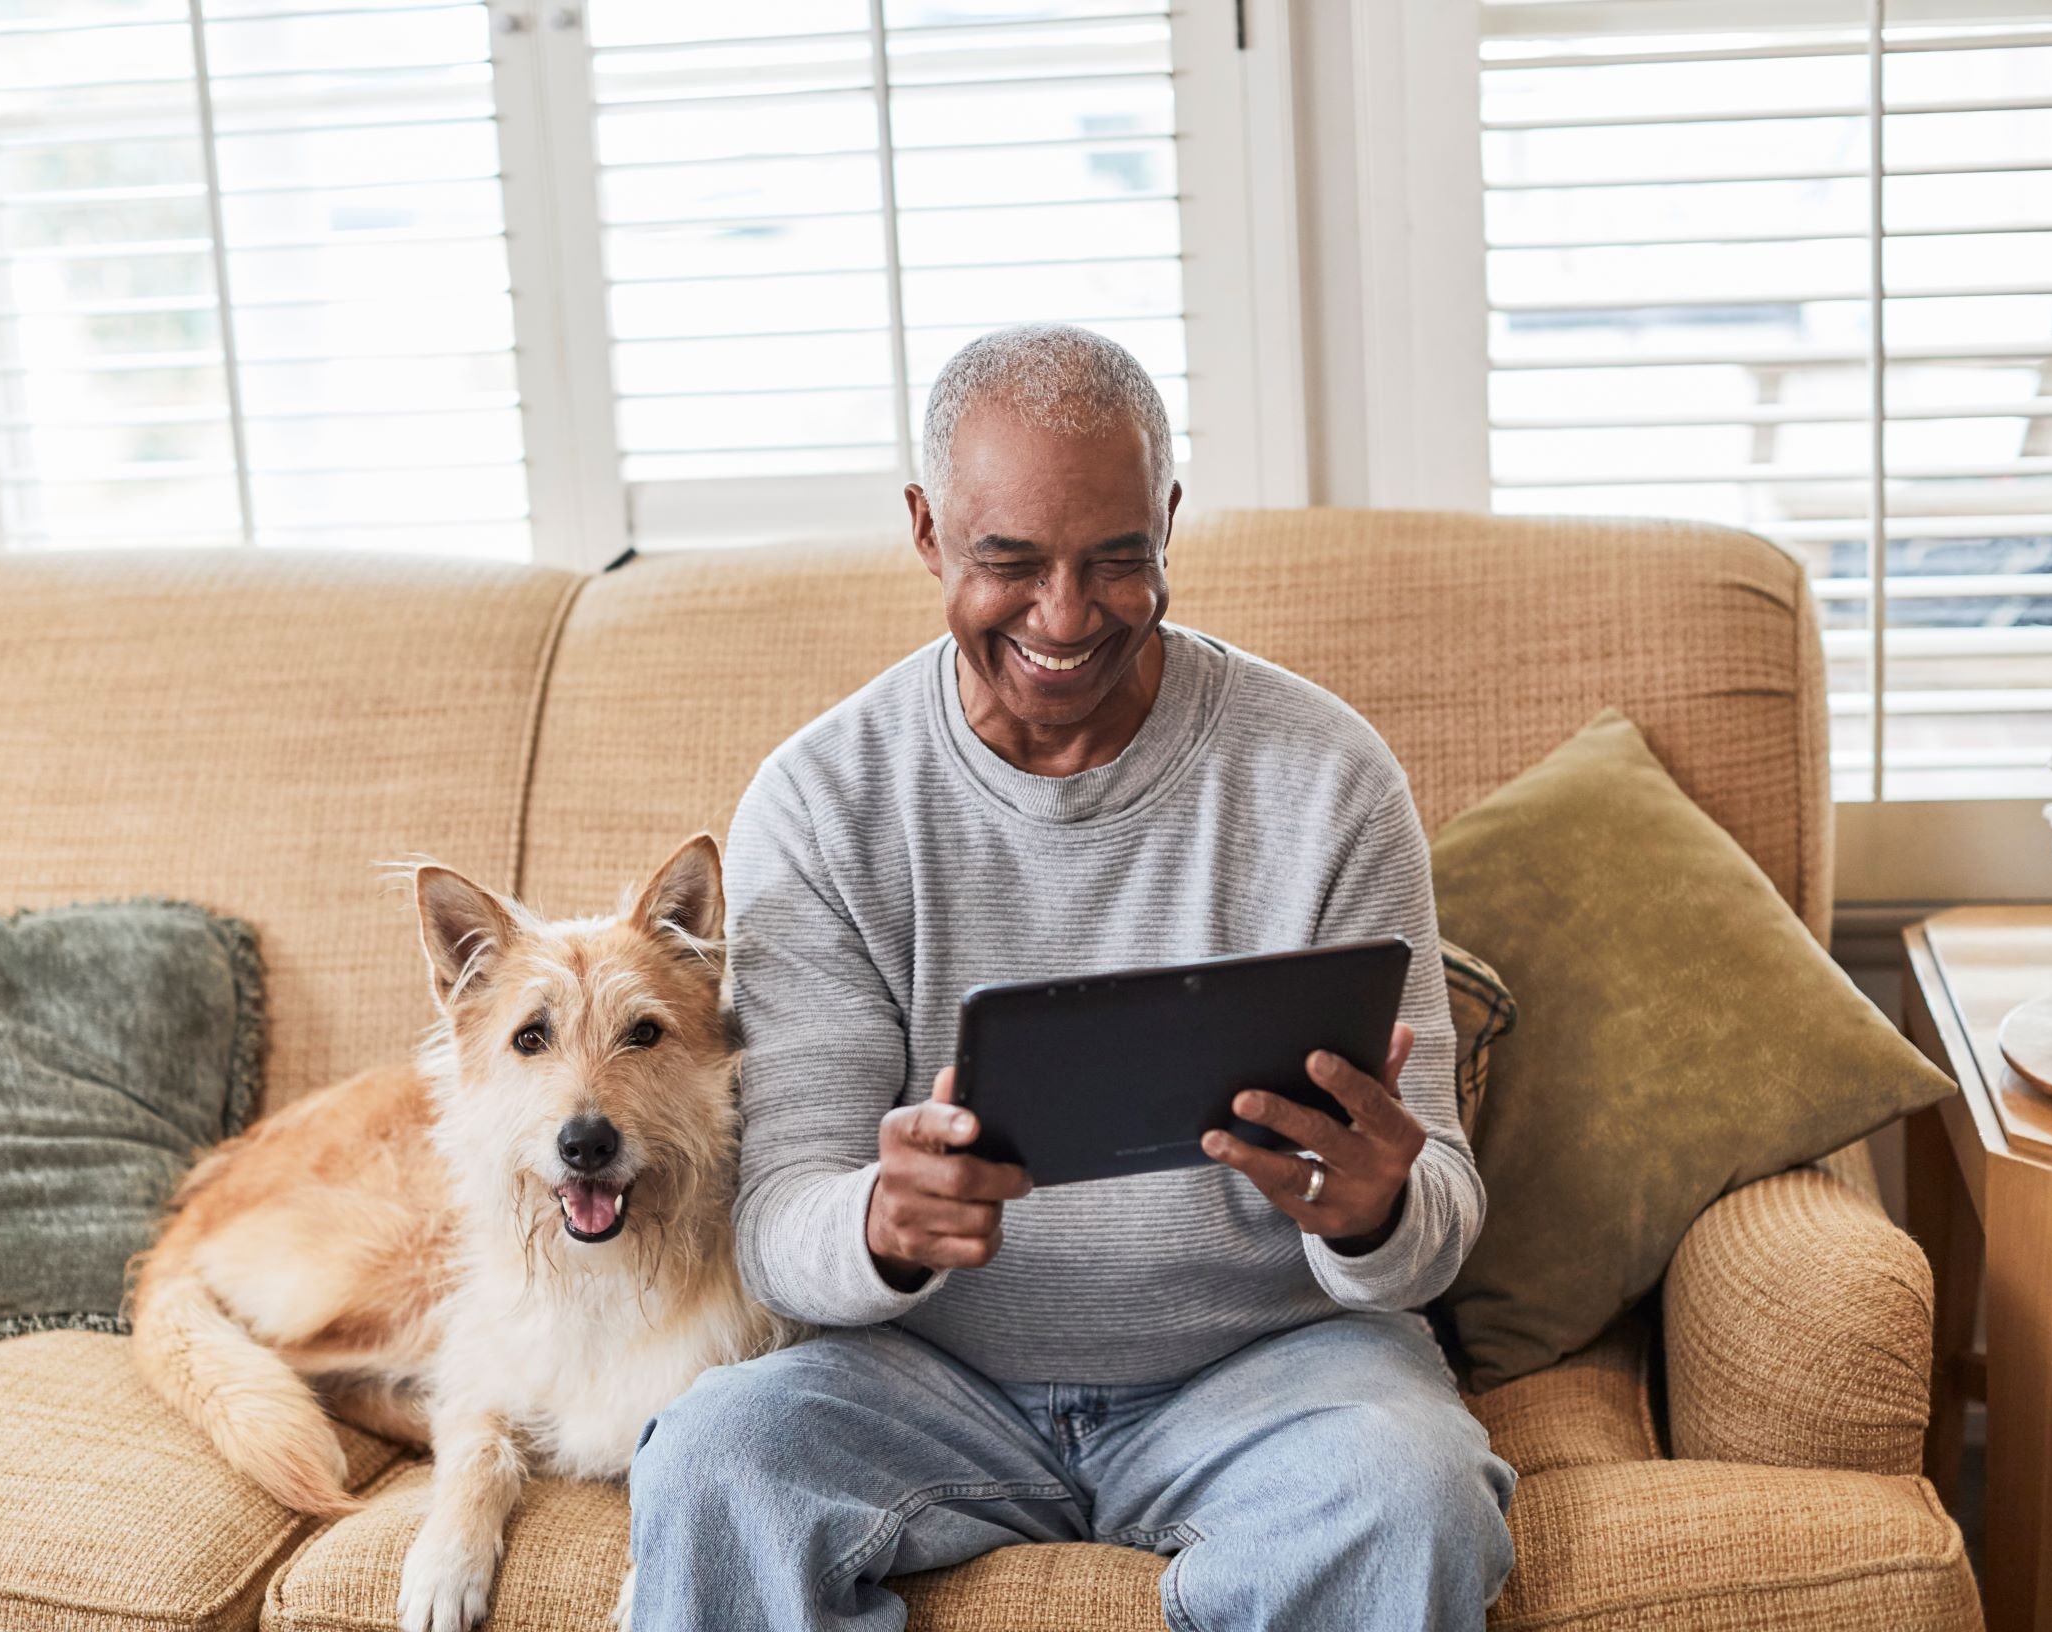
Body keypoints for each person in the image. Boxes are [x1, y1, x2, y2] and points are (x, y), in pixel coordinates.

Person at [626, 323, 1516, 1631]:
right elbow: (777, 1224)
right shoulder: (821, 802)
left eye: (1116, 561)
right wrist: (878, 1221)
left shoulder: (1325, 779)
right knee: (713, 1460)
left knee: (1418, 1495)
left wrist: (1375, 1209)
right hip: (922, 1378)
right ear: (928, 532)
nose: (1063, 615)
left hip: (1272, 1372)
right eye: (1008, 564)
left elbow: (1433, 1212)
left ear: (1166, 520)